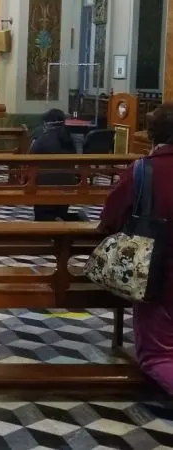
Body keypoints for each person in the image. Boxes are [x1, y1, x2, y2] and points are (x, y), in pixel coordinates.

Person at [99, 103, 173, 395]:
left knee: (158, 355)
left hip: (159, 273)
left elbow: (111, 215)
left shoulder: (145, 170)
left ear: (153, 134)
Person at [30, 108, 81, 221]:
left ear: (46, 123)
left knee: (43, 212)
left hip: (44, 187)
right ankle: (59, 220)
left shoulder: (41, 140)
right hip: (68, 185)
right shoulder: (69, 139)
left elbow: (30, 161)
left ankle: (45, 225)